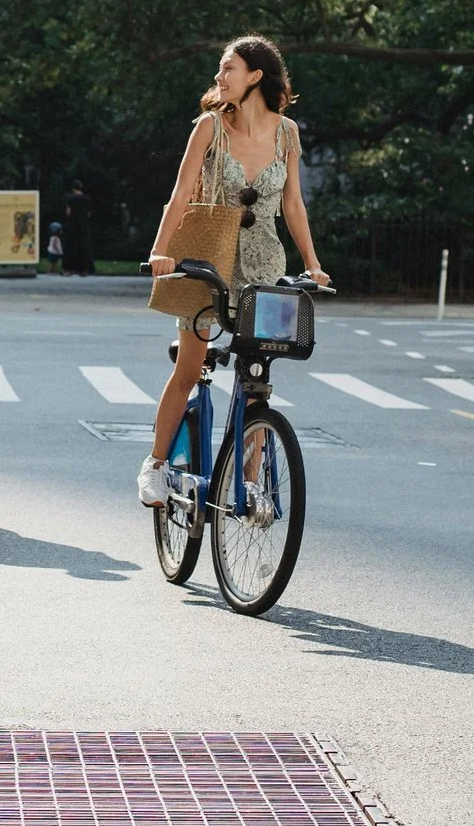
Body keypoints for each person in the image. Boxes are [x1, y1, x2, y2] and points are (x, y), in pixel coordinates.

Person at [140, 36, 328, 505]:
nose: (220, 77)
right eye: (221, 70)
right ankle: (156, 466)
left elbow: (293, 204)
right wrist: (161, 251)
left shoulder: (287, 133)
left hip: (265, 260)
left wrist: (313, 263)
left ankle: (247, 482)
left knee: (256, 375)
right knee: (189, 367)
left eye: (229, 69)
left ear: (256, 77)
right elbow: (181, 193)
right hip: (210, 259)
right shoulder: (210, 127)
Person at [62, 183, 94, 276]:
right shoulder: (87, 199)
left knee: (70, 247)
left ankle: (69, 269)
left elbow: (68, 212)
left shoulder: (70, 198)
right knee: (84, 246)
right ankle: (84, 269)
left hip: (72, 225)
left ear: (73, 189)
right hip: (83, 225)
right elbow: (89, 213)